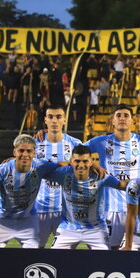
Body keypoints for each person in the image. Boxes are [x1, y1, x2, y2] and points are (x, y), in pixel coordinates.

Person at [84, 104, 140, 249]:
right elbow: (78, 151)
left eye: (126, 115)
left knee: (136, 250)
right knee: (109, 251)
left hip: (136, 207)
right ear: (112, 121)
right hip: (109, 209)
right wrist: (92, 164)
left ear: (132, 121)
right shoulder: (101, 141)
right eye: (118, 115)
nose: (122, 118)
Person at [0, 135, 60, 248]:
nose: (25, 154)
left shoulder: (40, 166)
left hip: (28, 220)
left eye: (29, 151)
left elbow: (63, 164)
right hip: (2, 220)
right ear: (14, 152)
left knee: (32, 260)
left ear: (34, 153)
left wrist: (91, 163)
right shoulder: (1, 171)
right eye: (21, 150)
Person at [47, 145, 124, 250]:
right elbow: (39, 168)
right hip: (68, 227)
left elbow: (122, 185)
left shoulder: (101, 176)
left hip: (96, 228)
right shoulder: (63, 173)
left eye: (85, 161)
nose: (81, 165)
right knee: (53, 259)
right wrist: (58, 163)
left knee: (106, 261)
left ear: (91, 162)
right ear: (71, 161)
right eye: (77, 161)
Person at [33, 106, 82, 248]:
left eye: (59, 117)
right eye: (51, 117)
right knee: (34, 251)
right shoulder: (35, 143)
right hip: (40, 208)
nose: (54, 120)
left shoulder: (75, 144)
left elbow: (84, 168)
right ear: (45, 120)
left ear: (64, 120)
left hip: (66, 211)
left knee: (64, 255)